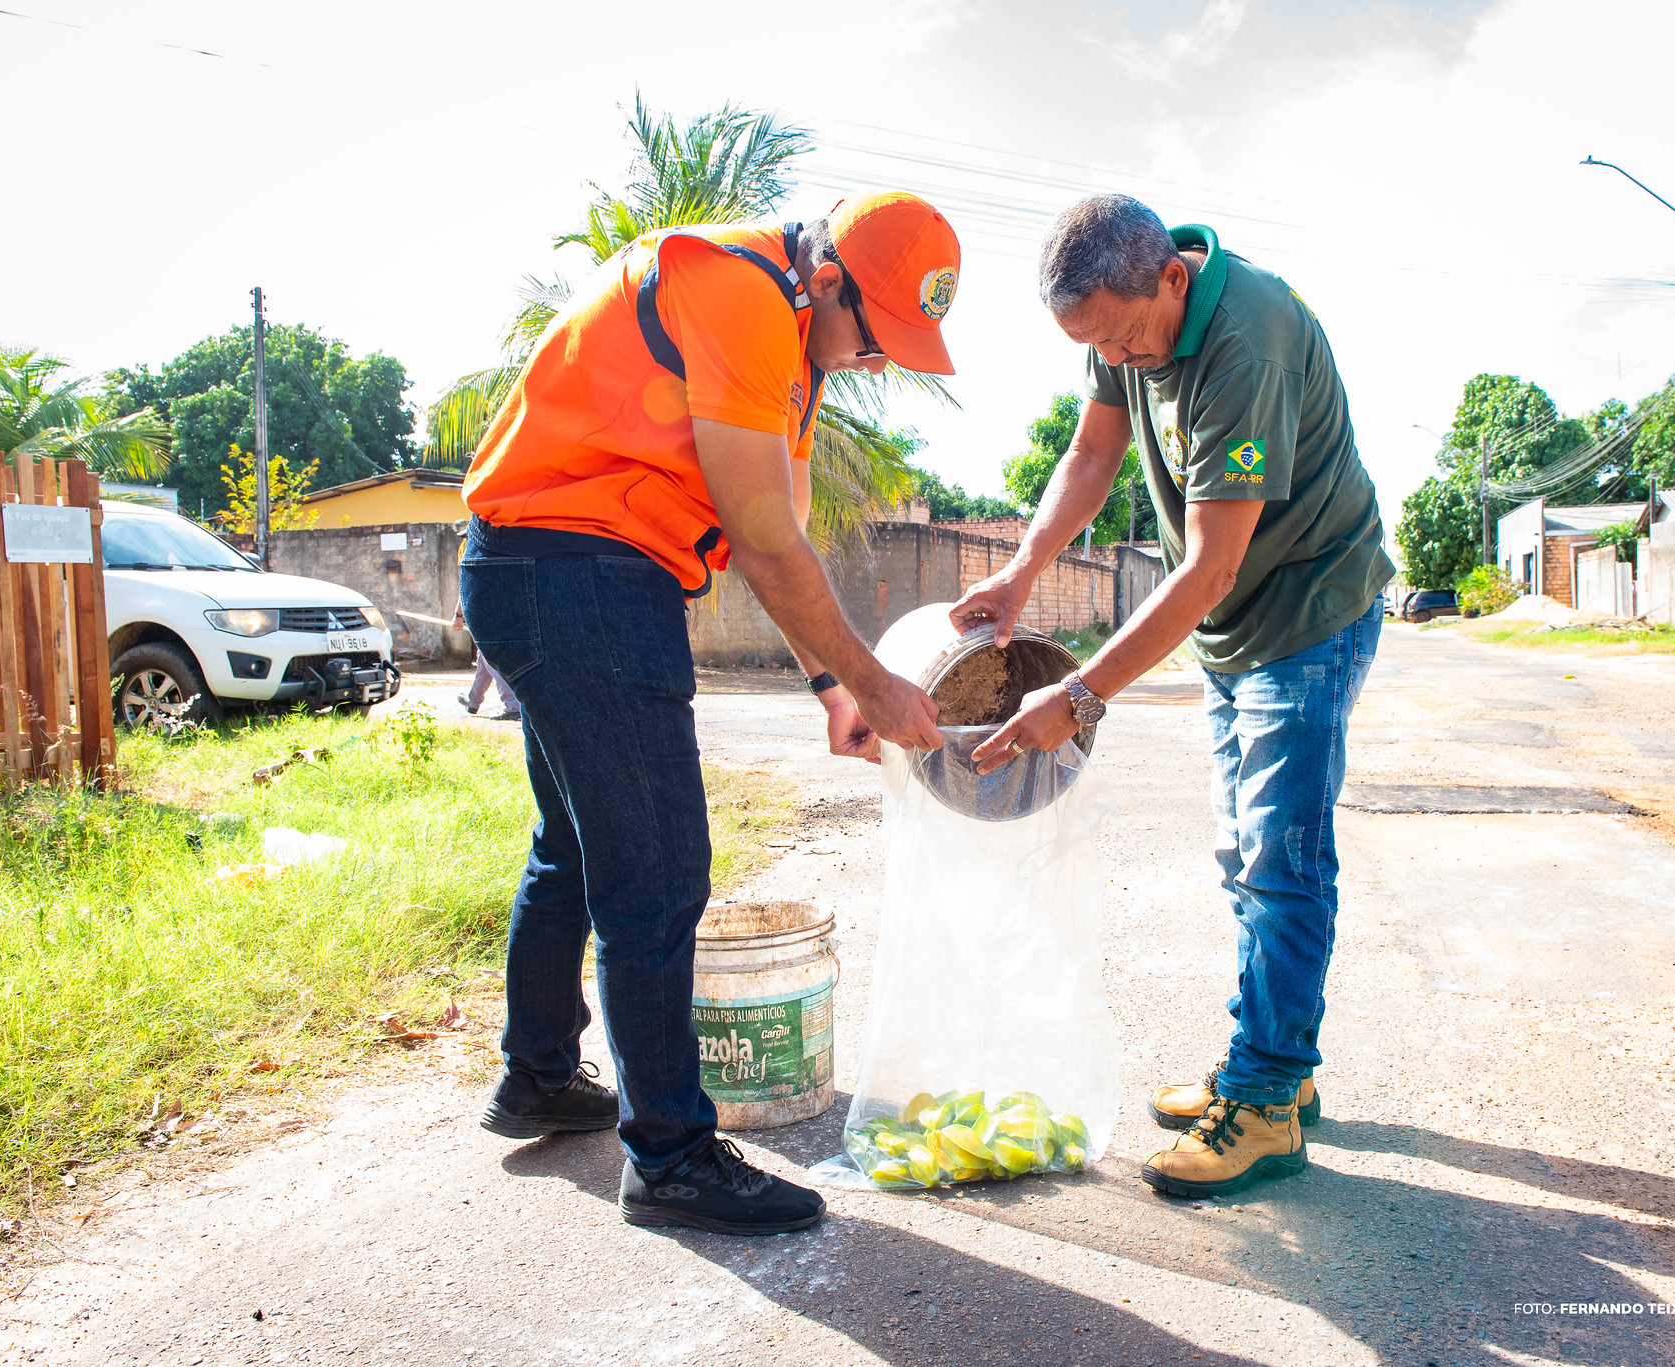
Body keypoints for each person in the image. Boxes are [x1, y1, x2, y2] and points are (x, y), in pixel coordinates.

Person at [459, 191, 958, 1235]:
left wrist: (827, 684)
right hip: (577, 572)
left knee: (575, 844)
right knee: (658, 870)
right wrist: (873, 682)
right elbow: (765, 539)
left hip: (559, 570)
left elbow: (783, 541)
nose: (878, 364)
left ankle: (538, 1074)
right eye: (877, 337)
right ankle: (673, 1157)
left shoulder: (797, 352)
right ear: (828, 279)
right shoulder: (736, 294)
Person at [951, 194, 1394, 1200]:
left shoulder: (1249, 345)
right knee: (1242, 848)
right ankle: (1274, 1061)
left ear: (1171, 280)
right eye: (1096, 346)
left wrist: (1078, 695)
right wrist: (1022, 569)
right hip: (1237, 625)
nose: (1120, 358)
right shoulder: (1120, 320)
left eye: (1123, 337)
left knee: (1280, 856)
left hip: (1308, 611)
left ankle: (1267, 1097)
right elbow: (1090, 454)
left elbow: (1203, 571)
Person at [453, 607, 519, 721]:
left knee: (490, 657)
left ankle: (512, 705)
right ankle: (473, 701)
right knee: (483, 657)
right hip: (505, 612)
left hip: (488, 614)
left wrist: (458, 616)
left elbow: (463, 589)